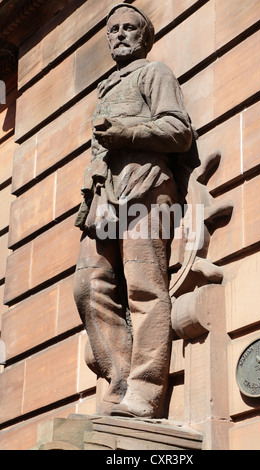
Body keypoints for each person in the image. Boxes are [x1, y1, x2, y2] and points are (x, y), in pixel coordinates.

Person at [73, 3, 193, 418]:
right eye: (113, 29)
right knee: (88, 287)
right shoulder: (105, 87)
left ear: (144, 36)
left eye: (129, 28)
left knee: (144, 287)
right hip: (106, 198)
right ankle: (120, 377)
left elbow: (179, 131)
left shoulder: (154, 73)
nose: (120, 34)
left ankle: (144, 391)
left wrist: (129, 132)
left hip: (146, 186)